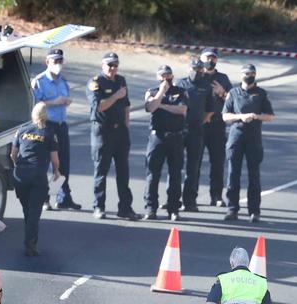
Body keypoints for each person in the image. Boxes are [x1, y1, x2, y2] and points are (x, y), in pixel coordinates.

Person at [86, 52, 142, 221]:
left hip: (120, 132)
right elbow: (99, 107)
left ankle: (125, 208)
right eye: (109, 65)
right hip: (103, 132)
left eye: (115, 65)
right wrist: (116, 96)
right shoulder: (96, 82)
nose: (112, 69)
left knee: (123, 172)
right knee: (101, 172)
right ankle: (99, 207)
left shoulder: (120, 80)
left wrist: (126, 125)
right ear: (103, 65)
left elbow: (126, 105)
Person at [222, 64, 275, 223]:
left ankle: (254, 211)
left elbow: (270, 116)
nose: (249, 75)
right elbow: (225, 116)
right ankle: (232, 209)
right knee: (233, 174)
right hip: (236, 137)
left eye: (252, 73)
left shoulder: (261, 94)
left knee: (254, 175)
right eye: (246, 73)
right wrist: (241, 117)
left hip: (254, 138)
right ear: (241, 75)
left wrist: (256, 116)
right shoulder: (233, 93)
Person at [32, 48, 81, 211]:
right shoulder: (39, 81)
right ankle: (44, 199)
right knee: (45, 163)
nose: (58, 64)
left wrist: (66, 101)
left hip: (61, 124)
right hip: (47, 125)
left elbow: (64, 98)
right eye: (55, 61)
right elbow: (36, 105)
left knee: (63, 163)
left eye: (60, 61)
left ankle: (63, 197)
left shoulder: (63, 80)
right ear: (47, 62)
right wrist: (55, 101)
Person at [11, 102, 60, 256]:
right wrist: (57, 171)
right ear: (46, 115)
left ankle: (29, 239)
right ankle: (30, 244)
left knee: (27, 210)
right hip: (38, 177)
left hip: (20, 176)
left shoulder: (21, 131)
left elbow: (13, 154)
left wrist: (17, 165)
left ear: (33, 114)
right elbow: (54, 158)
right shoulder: (49, 133)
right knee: (34, 213)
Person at [143, 65, 187, 221]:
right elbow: (150, 107)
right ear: (158, 77)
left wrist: (161, 106)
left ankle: (173, 208)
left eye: (168, 75)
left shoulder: (180, 91)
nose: (166, 78)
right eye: (162, 75)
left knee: (175, 174)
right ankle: (150, 208)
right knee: (152, 174)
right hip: (157, 137)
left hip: (175, 137)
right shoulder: (152, 91)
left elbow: (181, 109)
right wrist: (161, 93)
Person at [175, 59, 214, 212]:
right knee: (175, 166)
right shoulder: (180, 83)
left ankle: (190, 201)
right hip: (179, 129)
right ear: (188, 68)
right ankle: (174, 200)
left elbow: (210, 109)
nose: (197, 71)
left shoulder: (206, 86)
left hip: (196, 130)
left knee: (193, 167)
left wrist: (200, 121)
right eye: (194, 68)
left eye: (199, 69)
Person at [200, 48, 233, 207]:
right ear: (200, 58)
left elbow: (234, 101)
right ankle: (189, 197)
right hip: (198, 126)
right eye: (207, 57)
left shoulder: (223, 78)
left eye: (213, 58)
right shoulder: (196, 76)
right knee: (193, 163)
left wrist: (222, 92)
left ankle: (217, 196)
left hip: (217, 125)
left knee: (218, 162)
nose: (210, 61)